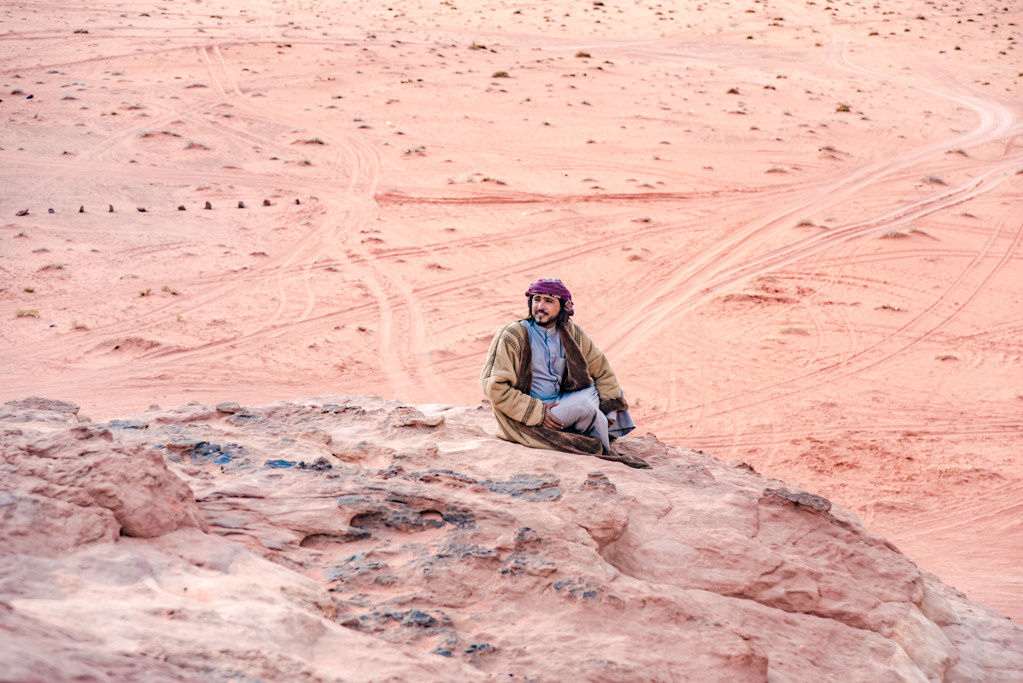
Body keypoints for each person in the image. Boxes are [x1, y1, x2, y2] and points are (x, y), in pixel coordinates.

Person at [479, 278, 650, 468]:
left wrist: (609, 410)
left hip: (562, 402)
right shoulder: (513, 335)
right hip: (532, 414)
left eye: (549, 301)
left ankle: (597, 427)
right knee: (586, 406)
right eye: (536, 299)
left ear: (563, 307)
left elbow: (601, 369)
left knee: (610, 390)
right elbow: (493, 387)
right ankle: (599, 444)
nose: (540, 306)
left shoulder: (572, 333)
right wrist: (538, 411)